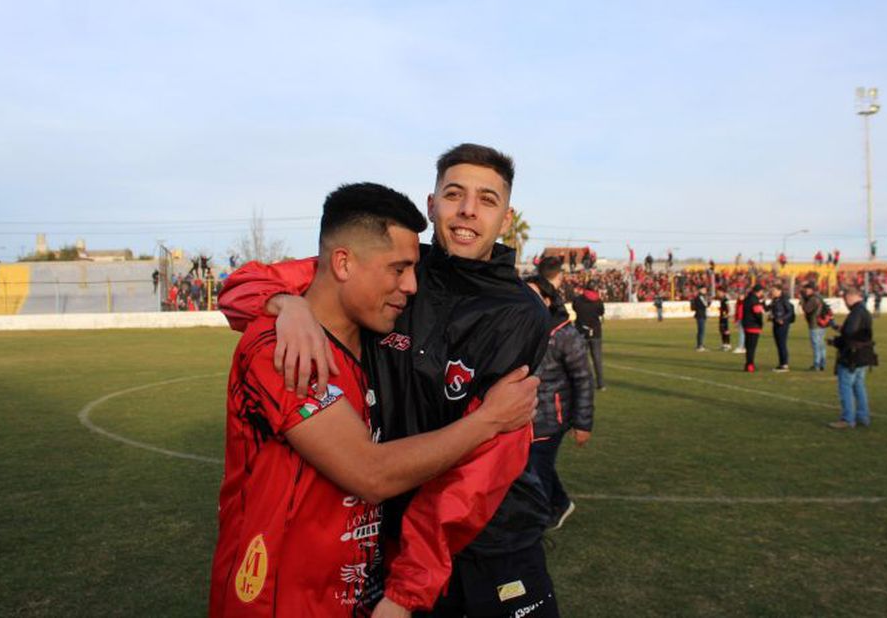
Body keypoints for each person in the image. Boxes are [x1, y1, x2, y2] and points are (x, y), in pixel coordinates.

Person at [218, 144, 560, 617]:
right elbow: (250, 283)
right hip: (392, 541)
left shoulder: (517, 314)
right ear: (432, 204)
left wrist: (407, 590)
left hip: (490, 541)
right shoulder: (393, 265)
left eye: (487, 199)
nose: (467, 210)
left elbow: (484, 462)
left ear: (506, 217)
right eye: (455, 193)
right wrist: (285, 304)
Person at [525, 276, 594, 531]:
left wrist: (583, 424)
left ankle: (540, 520)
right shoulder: (521, 328)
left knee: (536, 468)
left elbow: (583, 380)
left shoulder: (565, 334)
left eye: (535, 296)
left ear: (548, 299)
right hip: (526, 417)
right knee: (534, 465)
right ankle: (561, 503)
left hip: (551, 418)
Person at [827, 286, 877, 429]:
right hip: (864, 354)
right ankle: (863, 417)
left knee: (846, 387)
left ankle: (848, 419)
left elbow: (850, 334)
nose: (845, 303)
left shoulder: (856, 312)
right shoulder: (864, 311)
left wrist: (835, 341)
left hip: (852, 355)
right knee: (859, 386)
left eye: (845, 300)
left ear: (850, 297)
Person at [572, 273, 606, 392]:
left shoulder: (578, 300)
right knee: (597, 359)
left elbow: (574, 308)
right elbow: (601, 313)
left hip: (581, 331)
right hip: (595, 332)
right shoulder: (598, 301)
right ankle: (601, 384)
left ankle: (585, 384)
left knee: (583, 360)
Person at [800, 282, 828, 372]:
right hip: (821, 323)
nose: (805, 291)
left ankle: (817, 364)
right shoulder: (819, 297)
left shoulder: (813, 299)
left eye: (807, 289)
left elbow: (807, 309)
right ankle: (822, 363)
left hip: (815, 324)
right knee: (821, 345)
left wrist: (803, 300)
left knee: (816, 345)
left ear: (811, 289)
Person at [767, 283, 794, 372]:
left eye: (774, 291)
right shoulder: (775, 300)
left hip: (783, 325)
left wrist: (782, 319)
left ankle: (785, 364)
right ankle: (781, 363)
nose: (772, 292)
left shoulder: (784, 300)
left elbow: (790, 312)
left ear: (779, 291)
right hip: (776, 323)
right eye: (772, 291)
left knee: (782, 344)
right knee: (779, 344)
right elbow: (768, 309)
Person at [741, 283, 765, 372]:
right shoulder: (755, 300)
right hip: (754, 325)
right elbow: (757, 313)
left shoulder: (747, 299)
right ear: (759, 291)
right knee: (752, 347)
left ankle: (747, 363)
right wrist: (761, 323)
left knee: (748, 347)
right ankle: (750, 365)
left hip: (746, 325)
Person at [691, 285, 709, 351]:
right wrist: (709, 301)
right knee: (701, 331)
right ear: (700, 290)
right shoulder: (701, 297)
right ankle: (700, 345)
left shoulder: (699, 297)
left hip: (700, 315)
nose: (705, 291)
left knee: (700, 331)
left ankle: (700, 344)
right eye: (704, 289)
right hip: (701, 315)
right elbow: (706, 304)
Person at [716, 286, 731, 351]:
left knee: (725, 330)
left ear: (722, 292)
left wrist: (726, 314)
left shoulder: (725, 299)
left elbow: (728, 307)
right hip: (721, 316)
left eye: (719, 292)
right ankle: (724, 344)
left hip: (724, 317)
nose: (718, 293)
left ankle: (728, 344)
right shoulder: (721, 299)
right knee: (722, 330)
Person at [732, 289, 747, 354]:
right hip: (739, 319)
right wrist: (735, 320)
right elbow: (736, 312)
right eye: (739, 295)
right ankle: (743, 347)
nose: (740, 296)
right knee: (742, 333)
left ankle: (741, 347)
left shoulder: (746, 302)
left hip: (744, 319)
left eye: (742, 295)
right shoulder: (738, 303)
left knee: (742, 333)